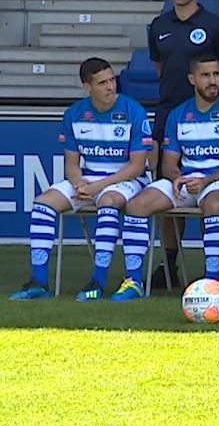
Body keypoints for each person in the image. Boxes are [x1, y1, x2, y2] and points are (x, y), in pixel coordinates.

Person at [10, 58, 152, 301]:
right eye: (102, 83)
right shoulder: (75, 114)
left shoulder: (133, 111)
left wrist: (96, 186)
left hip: (129, 179)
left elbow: (137, 166)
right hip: (90, 179)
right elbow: (72, 165)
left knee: (107, 201)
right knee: (43, 204)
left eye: (112, 80)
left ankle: (98, 281)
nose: (110, 87)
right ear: (87, 87)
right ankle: (39, 283)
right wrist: (78, 183)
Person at [122, 56, 219, 300]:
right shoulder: (178, 114)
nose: (213, 81)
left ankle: (212, 283)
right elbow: (170, 160)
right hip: (188, 181)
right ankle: (133, 281)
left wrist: (206, 181)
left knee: (213, 204)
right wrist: (176, 177)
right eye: (206, 75)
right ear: (192, 79)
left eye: (216, 74)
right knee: (137, 205)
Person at [148, 0, 219, 287]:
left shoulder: (215, 27)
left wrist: (210, 110)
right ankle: (169, 263)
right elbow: (162, 68)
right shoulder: (158, 26)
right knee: (172, 185)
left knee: (206, 188)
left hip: (209, 116)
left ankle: (208, 264)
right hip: (169, 113)